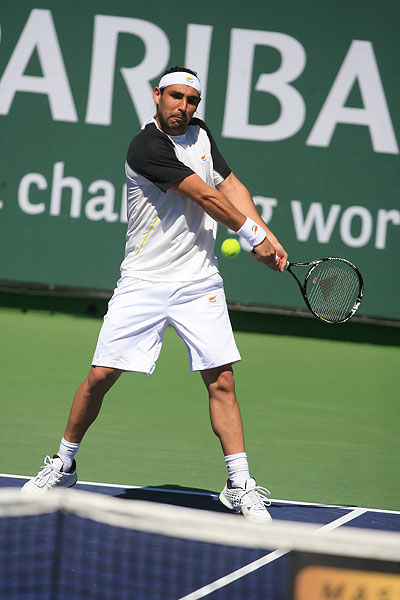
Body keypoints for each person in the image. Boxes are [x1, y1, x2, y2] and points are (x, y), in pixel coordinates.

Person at [22, 66, 288, 523]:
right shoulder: (146, 147)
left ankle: (239, 484)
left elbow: (230, 185)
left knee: (222, 381)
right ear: (157, 96)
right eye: (175, 97)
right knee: (101, 376)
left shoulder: (201, 135)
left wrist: (268, 235)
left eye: (191, 100)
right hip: (143, 282)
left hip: (199, 281)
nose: (183, 107)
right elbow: (205, 197)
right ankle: (63, 465)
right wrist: (251, 236)